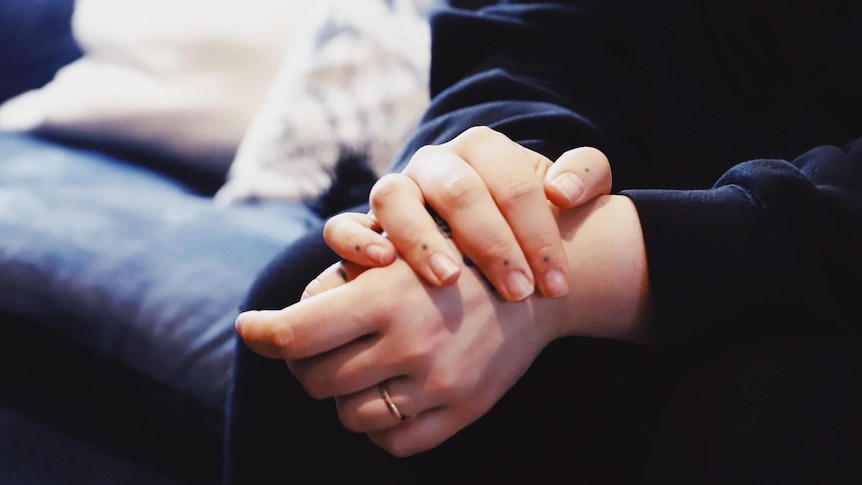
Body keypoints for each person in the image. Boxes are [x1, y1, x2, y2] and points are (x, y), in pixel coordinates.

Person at [225, 1, 862, 483]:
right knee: (326, 295)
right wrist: (505, 177)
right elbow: (525, 39)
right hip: (621, 189)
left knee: (762, 406)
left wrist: (590, 265)